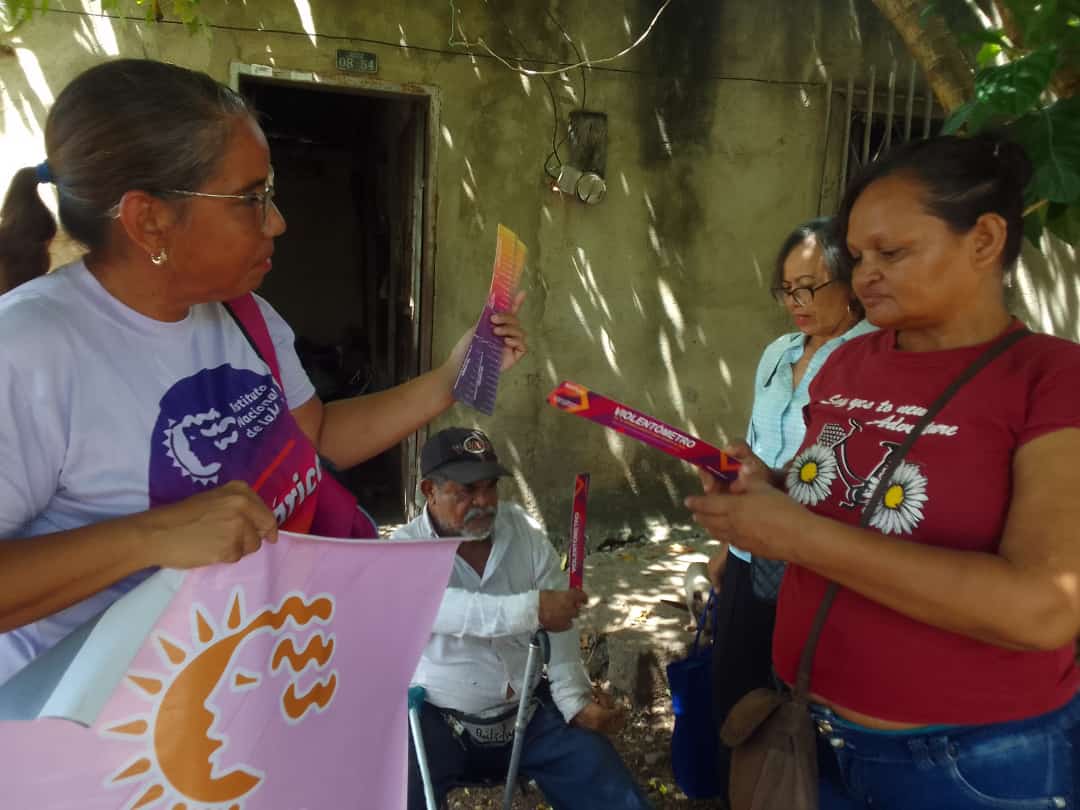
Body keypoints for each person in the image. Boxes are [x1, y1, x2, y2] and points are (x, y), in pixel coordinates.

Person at [0, 59, 527, 688]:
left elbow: (316, 435)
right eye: (251, 199)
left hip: (240, 701)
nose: (277, 221)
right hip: (108, 754)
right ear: (149, 220)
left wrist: (451, 377)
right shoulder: (31, 347)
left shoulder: (241, 313)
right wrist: (150, 537)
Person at [687, 134, 1080, 808]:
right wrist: (767, 490)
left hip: (967, 763)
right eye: (859, 255)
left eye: (892, 253)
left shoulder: (1051, 378)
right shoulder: (848, 363)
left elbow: (1043, 609)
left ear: (984, 240)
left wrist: (794, 536)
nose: (865, 274)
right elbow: (840, 502)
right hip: (808, 729)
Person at [395, 427, 652, 810]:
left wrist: (573, 700)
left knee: (612, 790)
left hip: (528, 715)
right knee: (393, 793)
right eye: (465, 492)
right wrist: (533, 609)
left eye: (489, 488)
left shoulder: (522, 530)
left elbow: (560, 626)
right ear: (429, 491)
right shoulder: (401, 551)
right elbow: (444, 609)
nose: (483, 502)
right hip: (438, 722)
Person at [705, 217, 874, 794]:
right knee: (736, 691)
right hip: (755, 547)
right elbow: (756, 447)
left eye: (810, 287)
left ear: (850, 284)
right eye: (786, 289)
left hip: (812, 552)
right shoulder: (779, 352)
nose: (795, 303)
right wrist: (729, 544)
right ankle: (745, 793)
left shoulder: (871, 357)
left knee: (800, 700)